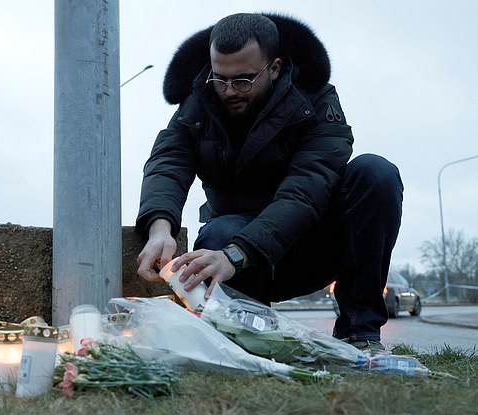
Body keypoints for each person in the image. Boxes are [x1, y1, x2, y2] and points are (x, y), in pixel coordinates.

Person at [135, 13, 403, 351]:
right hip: (238, 251)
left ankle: (358, 332)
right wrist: (160, 226)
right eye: (220, 79)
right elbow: (168, 161)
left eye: (243, 80)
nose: (229, 91)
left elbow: (306, 191)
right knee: (217, 234)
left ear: (274, 68)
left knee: (376, 173)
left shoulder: (315, 101)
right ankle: (249, 340)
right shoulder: (201, 98)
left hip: (311, 248)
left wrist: (236, 254)